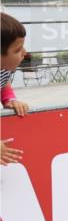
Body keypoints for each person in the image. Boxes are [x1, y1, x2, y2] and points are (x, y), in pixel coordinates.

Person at [1, 13, 29, 165]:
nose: (25, 53)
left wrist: (9, 99)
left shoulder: (4, 68)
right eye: (18, 50)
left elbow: (3, 81)